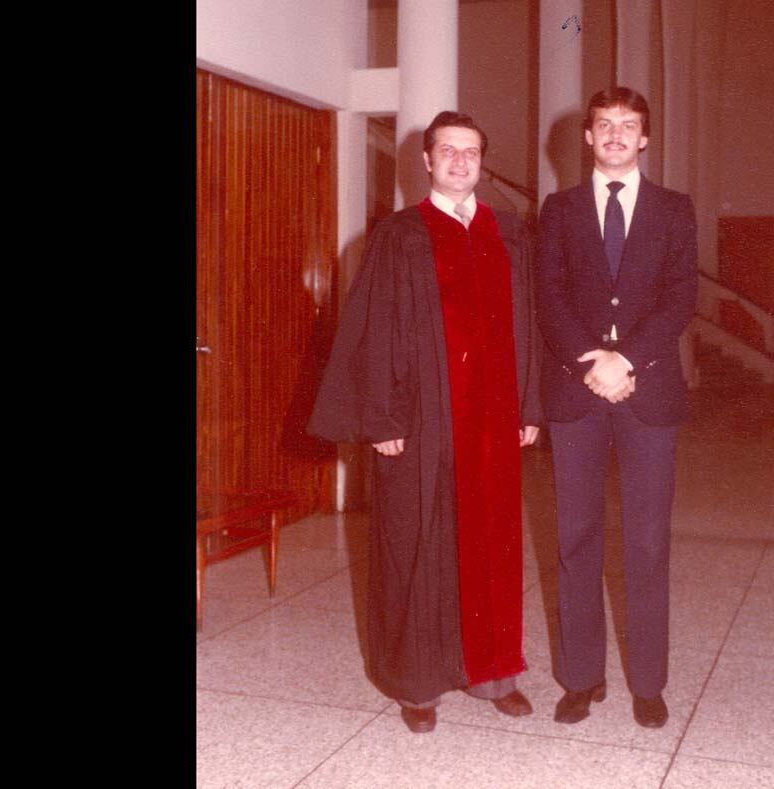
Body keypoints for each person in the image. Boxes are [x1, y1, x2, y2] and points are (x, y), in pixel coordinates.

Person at [307, 111, 542, 733]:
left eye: (471, 152)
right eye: (448, 151)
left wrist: (528, 406)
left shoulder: (508, 232)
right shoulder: (399, 235)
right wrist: (381, 418)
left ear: (482, 162)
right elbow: (373, 331)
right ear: (427, 160)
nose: (461, 161)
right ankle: (417, 684)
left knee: (493, 545)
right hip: (418, 421)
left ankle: (494, 674)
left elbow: (528, 324)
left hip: (492, 422)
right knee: (416, 545)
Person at [535, 87, 697, 729]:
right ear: (587, 137)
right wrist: (592, 361)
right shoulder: (559, 209)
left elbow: (681, 298)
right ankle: (581, 678)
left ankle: (648, 684)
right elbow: (548, 297)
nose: (615, 134)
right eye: (604, 124)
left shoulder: (674, 209)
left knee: (647, 542)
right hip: (576, 394)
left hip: (647, 392)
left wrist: (625, 360)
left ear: (644, 139)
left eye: (628, 125)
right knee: (575, 538)